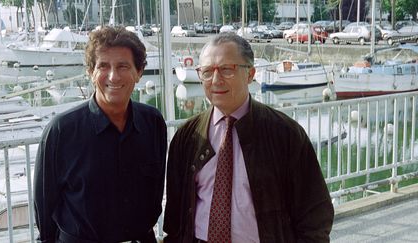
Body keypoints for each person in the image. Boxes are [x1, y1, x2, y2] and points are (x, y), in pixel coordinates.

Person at [163, 32, 334, 243]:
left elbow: (315, 216)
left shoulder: (285, 134)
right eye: (207, 72)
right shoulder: (188, 136)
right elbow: (174, 218)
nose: (216, 80)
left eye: (227, 69)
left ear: (250, 74)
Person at [34, 26, 167, 243]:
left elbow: (155, 193)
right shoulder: (61, 131)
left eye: (123, 66)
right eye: (103, 66)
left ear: (139, 72)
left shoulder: (153, 123)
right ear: (91, 72)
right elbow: (44, 211)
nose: (113, 76)